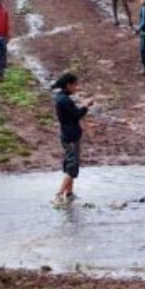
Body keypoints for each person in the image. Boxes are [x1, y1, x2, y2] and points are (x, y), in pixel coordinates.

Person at [51, 72, 95, 206]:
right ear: (68, 85)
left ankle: (69, 193)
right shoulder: (64, 100)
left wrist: (82, 105)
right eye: (75, 85)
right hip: (71, 136)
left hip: (67, 134)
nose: (76, 88)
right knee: (72, 166)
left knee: (70, 163)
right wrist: (86, 105)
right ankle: (59, 195)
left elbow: (72, 112)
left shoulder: (61, 98)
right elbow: (77, 115)